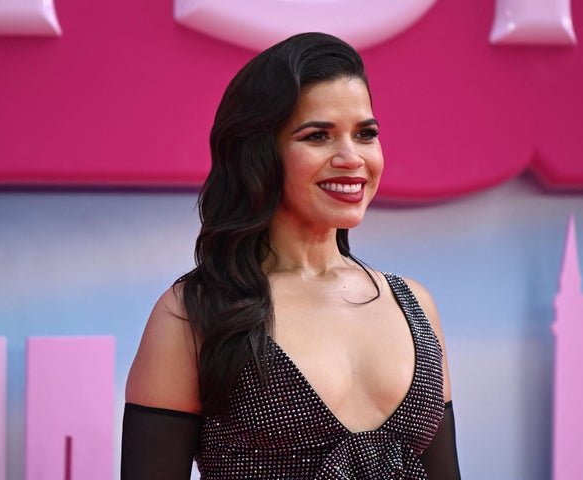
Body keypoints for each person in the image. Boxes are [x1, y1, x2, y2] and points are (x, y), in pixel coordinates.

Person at [121, 32, 461, 479]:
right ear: (257, 155)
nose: (351, 157)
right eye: (318, 136)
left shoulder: (414, 305)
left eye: (366, 134)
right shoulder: (191, 314)